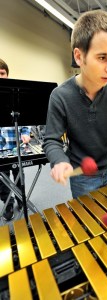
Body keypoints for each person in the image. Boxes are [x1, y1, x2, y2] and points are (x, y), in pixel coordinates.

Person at [43, 10, 107, 199]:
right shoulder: (60, 96)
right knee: (88, 226)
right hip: (82, 178)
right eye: (103, 58)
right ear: (79, 57)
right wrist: (59, 160)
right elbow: (52, 140)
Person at [0, 58, 31, 221]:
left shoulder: (16, 95)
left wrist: (26, 132)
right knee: (2, 183)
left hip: (17, 147)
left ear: (7, 74)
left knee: (20, 178)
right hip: (0, 148)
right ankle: (9, 204)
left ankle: (21, 199)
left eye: (2, 73)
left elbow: (27, 120)